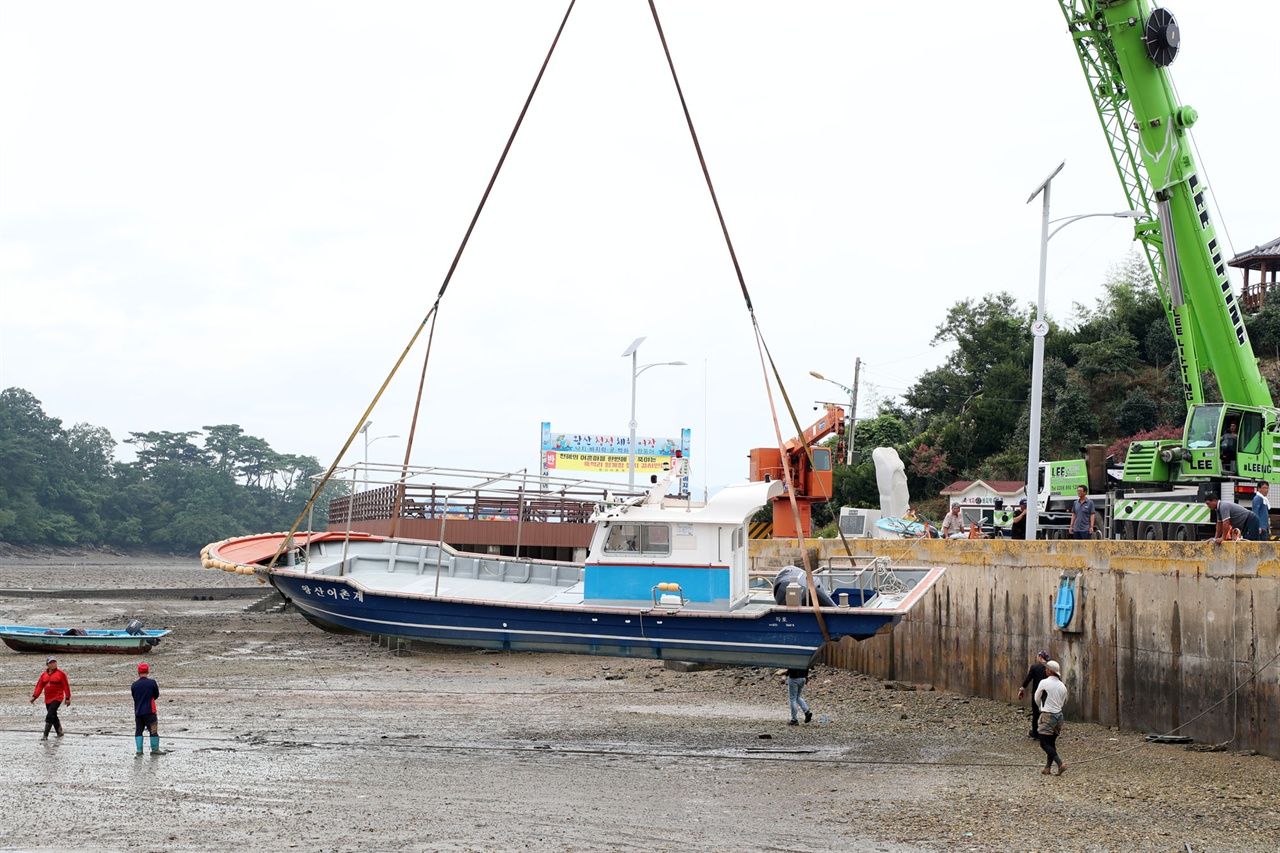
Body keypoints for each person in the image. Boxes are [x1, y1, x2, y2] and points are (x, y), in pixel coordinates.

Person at [1034, 659, 1068, 775]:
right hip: (1059, 716)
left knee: (1044, 742)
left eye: (1047, 668)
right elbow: (1063, 702)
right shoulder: (1062, 686)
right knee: (1051, 742)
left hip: (1048, 714)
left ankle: (1060, 763)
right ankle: (1047, 767)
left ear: (1050, 671)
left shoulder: (1044, 683)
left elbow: (1037, 698)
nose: (1045, 670)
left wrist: (1042, 708)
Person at [31, 656, 71, 740]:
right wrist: (34, 697)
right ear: (47, 665)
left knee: (50, 715)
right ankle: (60, 733)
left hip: (58, 697)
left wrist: (67, 698)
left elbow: (66, 686)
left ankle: (45, 736)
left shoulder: (61, 674)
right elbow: (39, 686)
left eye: (54, 662)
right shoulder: (43, 675)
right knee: (53, 715)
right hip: (48, 698)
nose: (53, 664)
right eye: (51, 663)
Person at [1016, 650, 1051, 738]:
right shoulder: (1050, 667)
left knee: (1036, 713)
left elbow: (1028, 678)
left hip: (1036, 693)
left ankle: (1035, 733)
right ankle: (1046, 731)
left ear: (1040, 657)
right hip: (1047, 693)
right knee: (1047, 712)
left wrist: (1022, 688)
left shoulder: (1035, 667)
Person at [132, 661, 162, 755]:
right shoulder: (152, 683)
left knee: (138, 730)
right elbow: (156, 695)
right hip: (150, 711)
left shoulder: (134, 685)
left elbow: (134, 697)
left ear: (138, 672)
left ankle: (139, 750)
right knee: (153, 730)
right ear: (148, 672)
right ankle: (155, 749)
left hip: (138, 711)